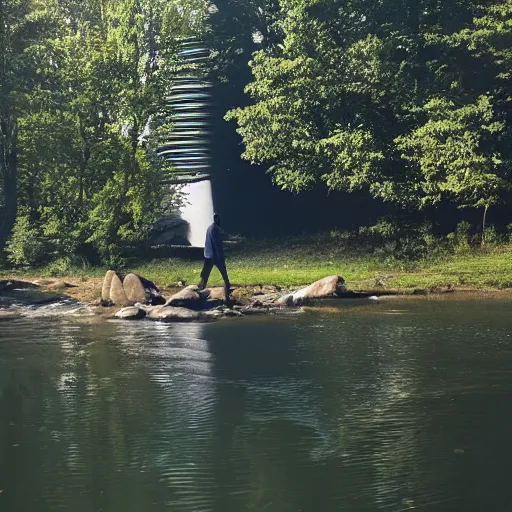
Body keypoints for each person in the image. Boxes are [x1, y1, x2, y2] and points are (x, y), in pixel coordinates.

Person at [198, 213, 231, 302]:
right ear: (216, 219)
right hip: (214, 254)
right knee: (222, 269)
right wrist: (220, 254)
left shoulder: (210, 228)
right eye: (218, 219)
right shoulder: (215, 229)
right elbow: (216, 243)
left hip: (208, 253)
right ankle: (227, 286)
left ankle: (201, 286)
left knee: (206, 271)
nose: (219, 221)